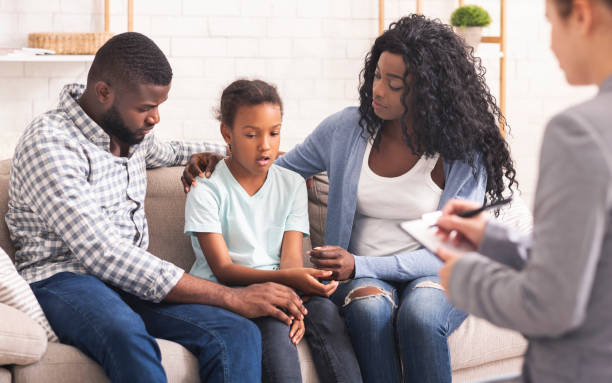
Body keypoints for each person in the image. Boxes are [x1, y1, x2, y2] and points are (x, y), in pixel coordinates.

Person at [183, 15, 518, 383]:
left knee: (421, 317)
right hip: (359, 278)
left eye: (394, 84)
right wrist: (217, 157)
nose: (377, 90)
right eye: (377, 76)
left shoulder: (464, 151)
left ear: (428, 91)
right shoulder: (347, 129)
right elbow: (277, 167)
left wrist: (360, 265)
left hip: (435, 271)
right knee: (369, 311)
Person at [6, 32, 307, 383]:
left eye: (159, 106)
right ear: (104, 93)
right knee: (126, 334)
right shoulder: (50, 142)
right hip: (66, 280)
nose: (155, 119)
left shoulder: (130, 137)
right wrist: (230, 297)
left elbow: (175, 150)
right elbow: (104, 254)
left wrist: (252, 156)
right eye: (146, 108)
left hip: (132, 286)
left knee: (236, 333)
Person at [434, 0, 612, 382]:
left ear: (581, 14)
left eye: (551, 24)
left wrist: (465, 278)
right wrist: (494, 239)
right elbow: (590, 264)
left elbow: (550, 304)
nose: (550, 44)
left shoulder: (579, 132)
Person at [184, 79, 362, 383]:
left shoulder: (291, 184)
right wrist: (288, 285)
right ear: (227, 133)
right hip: (228, 292)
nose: (265, 145)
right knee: (275, 323)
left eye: (274, 133)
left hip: (282, 285)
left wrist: (297, 287)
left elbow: (291, 259)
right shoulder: (206, 189)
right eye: (251, 134)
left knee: (326, 313)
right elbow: (224, 269)